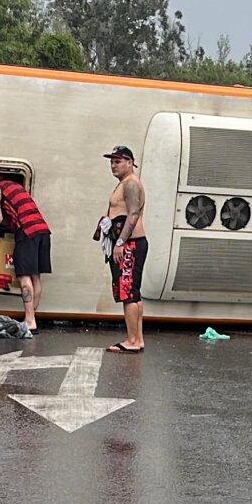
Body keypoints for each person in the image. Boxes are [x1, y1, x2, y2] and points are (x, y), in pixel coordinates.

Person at [0, 174, 51, 334]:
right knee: (35, 276)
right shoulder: (17, 187)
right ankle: (31, 317)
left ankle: (29, 321)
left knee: (23, 276)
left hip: (26, 231)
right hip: (43, 230)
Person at [100, 145, 147, 353]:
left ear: (130, 163)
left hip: (130, 245)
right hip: (128, 244)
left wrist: (120, 242)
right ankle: (137, 338)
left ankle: (132, 341)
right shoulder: (124, 184)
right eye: (111, 161)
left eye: (118, 161)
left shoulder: (131, 184)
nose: (113, 165)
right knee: (133, 293)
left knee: (128, 294)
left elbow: (133, 214)